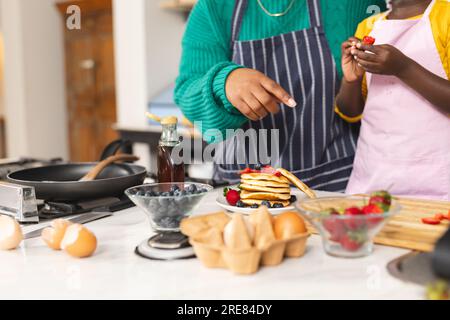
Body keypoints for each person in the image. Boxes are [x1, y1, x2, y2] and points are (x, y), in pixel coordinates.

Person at [175, 0, 386, 191]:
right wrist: (224, 83)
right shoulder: (214, 8)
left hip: (334, 190)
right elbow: (187, 93)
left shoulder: (355, 5)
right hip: (244, 193)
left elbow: (387, 99)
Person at [336, 0, 450, 200]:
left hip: (436, 183)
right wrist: (351, 80)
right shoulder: (368, 27)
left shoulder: (446, 16)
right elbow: (351, 111)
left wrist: (403, 68)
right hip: (372, 178)